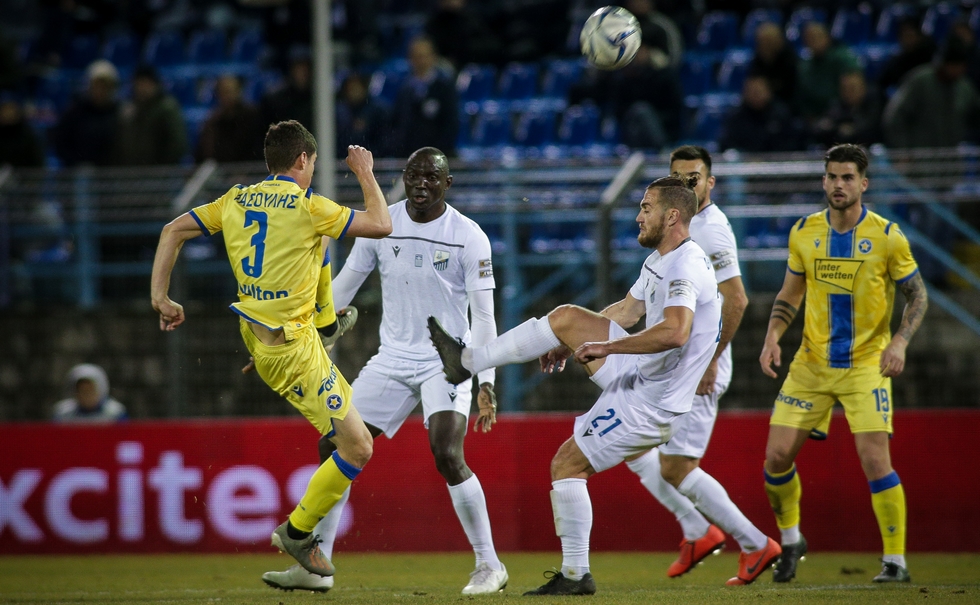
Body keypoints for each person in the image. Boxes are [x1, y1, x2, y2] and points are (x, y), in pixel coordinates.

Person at [430, 176, 779, 595]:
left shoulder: (686, 264)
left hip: (652, 403)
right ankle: (468, 362)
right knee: (566, 318)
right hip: (643, 376)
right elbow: (628, 311)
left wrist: (607, 346)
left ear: (672, 216)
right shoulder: (661, 260)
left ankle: (577, 575)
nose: (638, 216)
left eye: (646, 208)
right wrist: (569, 341)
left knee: (567, 465)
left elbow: (675, 332)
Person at [150, 121, 392, 577]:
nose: (312, 169)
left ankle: (325, 323)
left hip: (258, 328)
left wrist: (161, 297)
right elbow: (381, 224)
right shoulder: (308, 205)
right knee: (358, 447)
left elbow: (171, 231)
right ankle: (297, 533)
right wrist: (365, 171)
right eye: (313, 162)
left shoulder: (236, 198)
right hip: (291, 350)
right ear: (302, 160)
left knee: (322, 237)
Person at [261, 146, 507, 595]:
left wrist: (486, 380)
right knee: (334, 445)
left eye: (431, 177)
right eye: (413, 175)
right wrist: (290, 332)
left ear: (447, 184)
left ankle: (490, 565)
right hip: (391, 359)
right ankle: (317, 566)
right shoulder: (382, 224)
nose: (421, 184)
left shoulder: (469, 236)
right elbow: (343, 287)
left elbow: (485, 317)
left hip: (446, 361)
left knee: (447, 454)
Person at [759, 144, 928, 584]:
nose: (839, 184)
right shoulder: (804, 232)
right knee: (776, 458)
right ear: (824, 181)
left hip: (866, 364)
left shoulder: (887, 236)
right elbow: (790, 293)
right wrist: (773, 336)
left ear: (863, 183)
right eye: (832, 177)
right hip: (811, 363)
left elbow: (917, 295)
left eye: (848, 177)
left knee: (875, 460)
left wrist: (900, 343)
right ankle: (791, 540)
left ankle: (895, 561)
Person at [620, 145, 777, 585]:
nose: (685, 183)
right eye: (677, 177)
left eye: (693, 177)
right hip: (670, 364)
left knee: (676, 467)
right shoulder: (677, 228)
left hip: (697, 366)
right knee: (632, 445)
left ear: (710, 182)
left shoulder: (712, 230)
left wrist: (713, 359)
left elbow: (737, 299)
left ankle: (754, 543)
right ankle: (696, 529)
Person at [882, 35, 980, 149]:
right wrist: (903, 148)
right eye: (953, 65)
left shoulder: (964, 87)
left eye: (960, 66)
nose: (956, 70)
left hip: (951, 153)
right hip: (919, 154)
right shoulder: (920, 81)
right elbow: (894, 117)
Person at [391, 37, 458, 157]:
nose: (420, 61)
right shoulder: (405, 89)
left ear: (433, 57)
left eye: (423, 56)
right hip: (408, 154)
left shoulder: (445, 88)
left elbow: (451, 123)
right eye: (416, 56)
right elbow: (398, 122)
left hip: (437, 155)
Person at [113, 65, 187, 166]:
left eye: (145, 82)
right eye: (138, 83)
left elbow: (178, 144)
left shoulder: (167, 108)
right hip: (134, 171)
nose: (141, 87)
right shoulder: (129, 109)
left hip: (160, 171)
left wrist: (162, 167)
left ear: (154, 83)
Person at [54, 59, 120, 167]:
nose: (100, 91)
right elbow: (61, 143)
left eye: (104, 87)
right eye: (96, 86)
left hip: (111, 171)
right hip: (78, 171)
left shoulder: (120, 114)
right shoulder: (75, 113)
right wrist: (76, 164)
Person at [719, 74, 801, 153]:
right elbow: (727, 146)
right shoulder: (736, 118)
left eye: (759, 91)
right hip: (746, 161)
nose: (755, 95)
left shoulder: (782, 114)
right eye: (751, 91)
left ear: (768, 92)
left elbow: (792, 144)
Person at [195, 74, 264, 163]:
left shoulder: (253, 117)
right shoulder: (213, 122)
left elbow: (258, 150)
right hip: (221, 169)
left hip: (249, 168)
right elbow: (203, 154)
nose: (226, 96)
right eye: (223, 92)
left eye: (229, 91)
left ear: (239, 91)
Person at [811, 70, 882, 147]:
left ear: (863, 88)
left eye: (852, 89)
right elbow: (822, 125)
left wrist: (853, 129)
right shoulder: (838, 105)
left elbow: (871, 127)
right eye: (844, 89)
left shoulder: (874, 104)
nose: (848, 93)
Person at [52, 363, 127, 423]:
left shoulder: (115, 414)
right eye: (81, 390)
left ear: (101, 389)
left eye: (90, 390)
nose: (86, 395)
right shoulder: (63, 414)